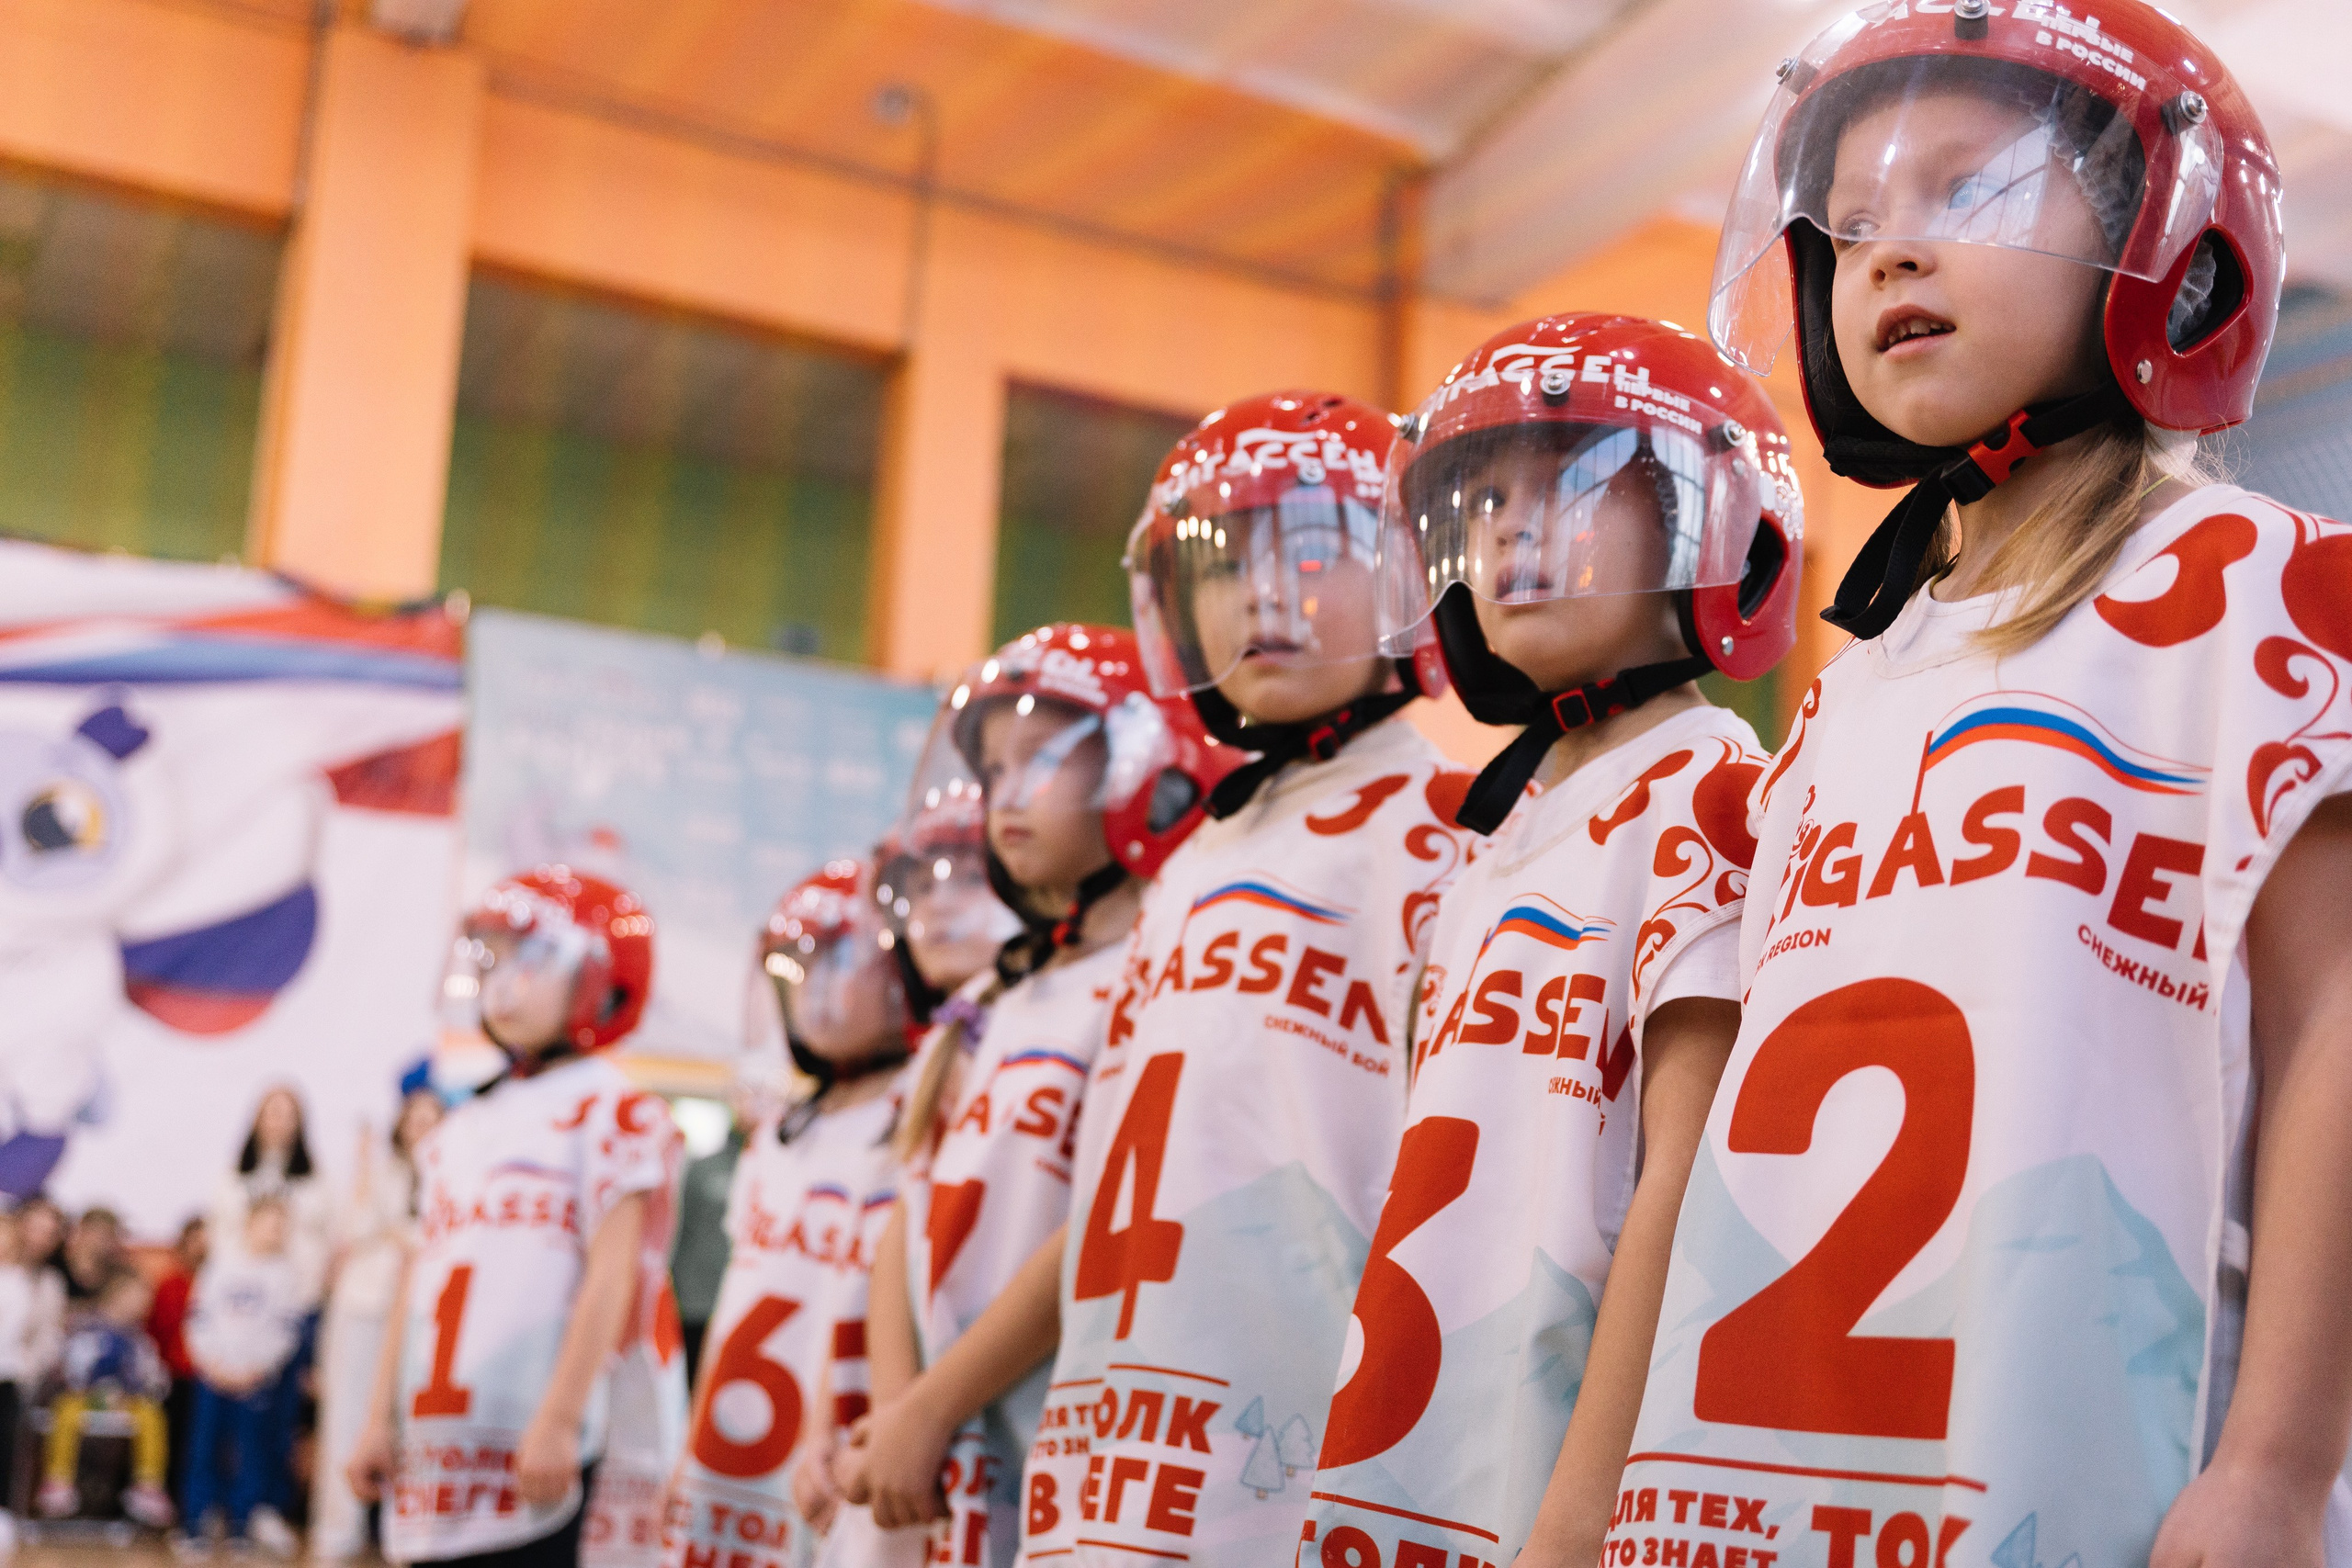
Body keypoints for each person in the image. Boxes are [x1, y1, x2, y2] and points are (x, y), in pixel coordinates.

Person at [1606, 6, 2352, 1567]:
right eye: (1859, 218)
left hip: (2095, 1463)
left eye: (1974, 189)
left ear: (2180, 244)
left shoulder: (2259, 588)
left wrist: (2280, 1463)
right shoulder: (1848, 688)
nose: (1890, 251)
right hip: (1779, 1467)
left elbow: (2335, 1036)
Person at [1298, 314, 1801, 1565]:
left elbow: (1684, 1186)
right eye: (1485, 499)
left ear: (1710, 523)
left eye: (1570, 485)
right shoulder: (1499, 832)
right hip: (1416, 1435)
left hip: (1557, 1472)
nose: (1512, 529)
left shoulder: (1709, 787)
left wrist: (1582, 1512)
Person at [974, 394, 1477, 1565]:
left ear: (1409, 569)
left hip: (1304, 1461)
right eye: (1224, 564)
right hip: (1112, 1450)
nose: (1260, 594)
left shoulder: (1455, 830)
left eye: (1311, 551)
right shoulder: (1193, 859)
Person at [831, 626, 1236, 1568]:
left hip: (1052, 1436)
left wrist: (934, 1404)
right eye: (994, 769)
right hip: (932, 1453)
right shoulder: (986, 999)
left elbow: (1106, 1218)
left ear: (1149, 766)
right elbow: (911, 1213)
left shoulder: (1165, 970)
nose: (1005, 792)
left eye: (1044, 760)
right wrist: (900, 1410)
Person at [347, 868, 681, 1568]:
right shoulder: (462, 1124)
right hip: (441, 1438)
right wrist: (378, 1418)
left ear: (597, 975)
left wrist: (559, 1418)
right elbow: (420, 1277)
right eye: (491, 958)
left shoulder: (611, 1109)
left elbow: (612, 1275)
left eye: (524, 958)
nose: (501, 981)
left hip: (537, 1435)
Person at [660, 860, 915, 1568]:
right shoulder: (778, 1135)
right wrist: (690, 1453)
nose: (813, 988)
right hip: (740, 1453)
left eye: (839, 961)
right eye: (798, 965)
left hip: (835, 1458)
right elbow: (741, 1304)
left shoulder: (920, 1114)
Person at [310, 1083, 443, 1562]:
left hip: (426, 1316)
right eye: (415, 1119)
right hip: (366, 1305)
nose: (424, 1128)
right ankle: (334, 1538)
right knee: (347, 1420)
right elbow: (355, 1229)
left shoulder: (456, 1176)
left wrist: (402, 1235)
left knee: (415, 1425)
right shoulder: (379, 1174)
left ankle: (406, 1538)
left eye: (434, 1119)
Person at [179, 1198, 304, 1557]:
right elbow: (198, 1318)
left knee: (252, 1451)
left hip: (256, 1379)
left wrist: (259, 1368)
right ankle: (196, 1521)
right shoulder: (219, 1267)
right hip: (214, 1376)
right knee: (204, 1448)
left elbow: (286, 1332)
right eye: (269, 1223)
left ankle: (240, 1522)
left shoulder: (285, 1276)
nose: (275, 1232)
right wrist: (211, 1363)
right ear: (249, 1224)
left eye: (282, 1226)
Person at [40, 1267, 173, 1529]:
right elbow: (72, 1363)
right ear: (118, 1295)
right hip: (85, 1396)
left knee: (152, 1416)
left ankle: (147, 1485)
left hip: (127, 1401)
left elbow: (152, 1374)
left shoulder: (138, 1337)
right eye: (139, 1296)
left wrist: (139, 1390)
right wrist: (92, 1388)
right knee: (65, 1412)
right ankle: (58, 1482)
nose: (145, 1304)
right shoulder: (86, 1327)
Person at [0, 1205, 62, 1555]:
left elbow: (35, 1339)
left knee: (6, 1448)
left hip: (10, 1376)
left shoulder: (29, 1284)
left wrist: (25, 1368)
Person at [148, 1218, 206, 1518]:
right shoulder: (170, 1284)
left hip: (209, 1374)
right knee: (176, 1438)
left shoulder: (215, 1282)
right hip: (176, 1374)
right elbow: (156, 1330)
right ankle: (171, 1500)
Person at [58, 1207, 124, 1308]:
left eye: (109, 1235)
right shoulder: (57, 1266)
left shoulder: (114, 1273)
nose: (102, 1241)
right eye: (99, 1234)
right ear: (82, 1231)